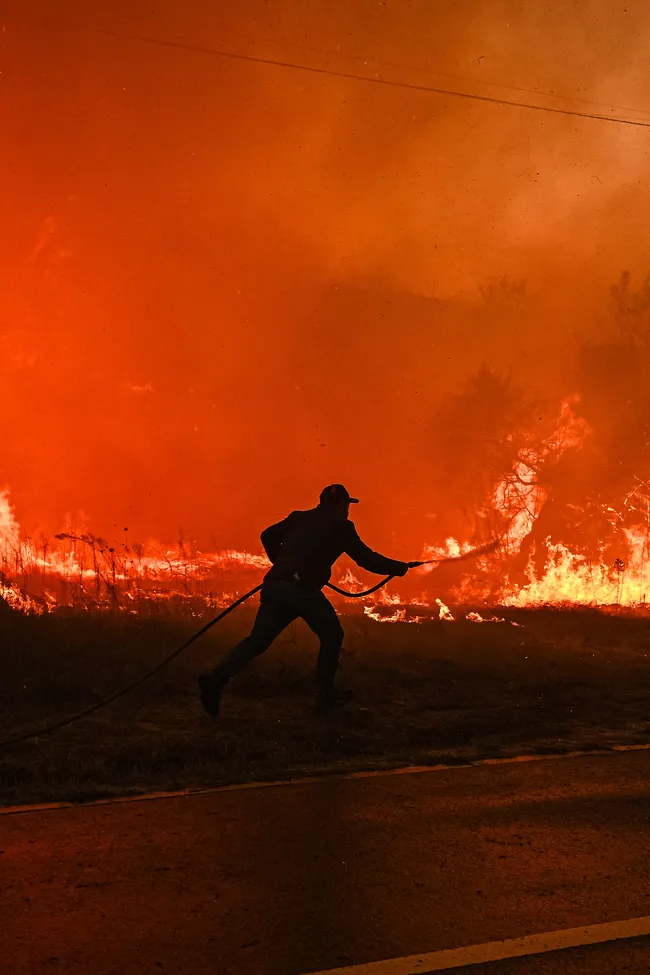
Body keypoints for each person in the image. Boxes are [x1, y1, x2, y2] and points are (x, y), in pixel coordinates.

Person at [198, 484, 419, 715]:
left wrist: (282, 564)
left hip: (276, 584)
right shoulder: (342, 527)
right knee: (332, 634)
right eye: (347, 506)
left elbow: (268, 535)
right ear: (341, 505)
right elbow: (366, 559)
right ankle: (325, 696)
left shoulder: (298, 518)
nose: (347, 512)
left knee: (258, 640)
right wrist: (400, 568)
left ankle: (216, 680)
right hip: (301, 590)